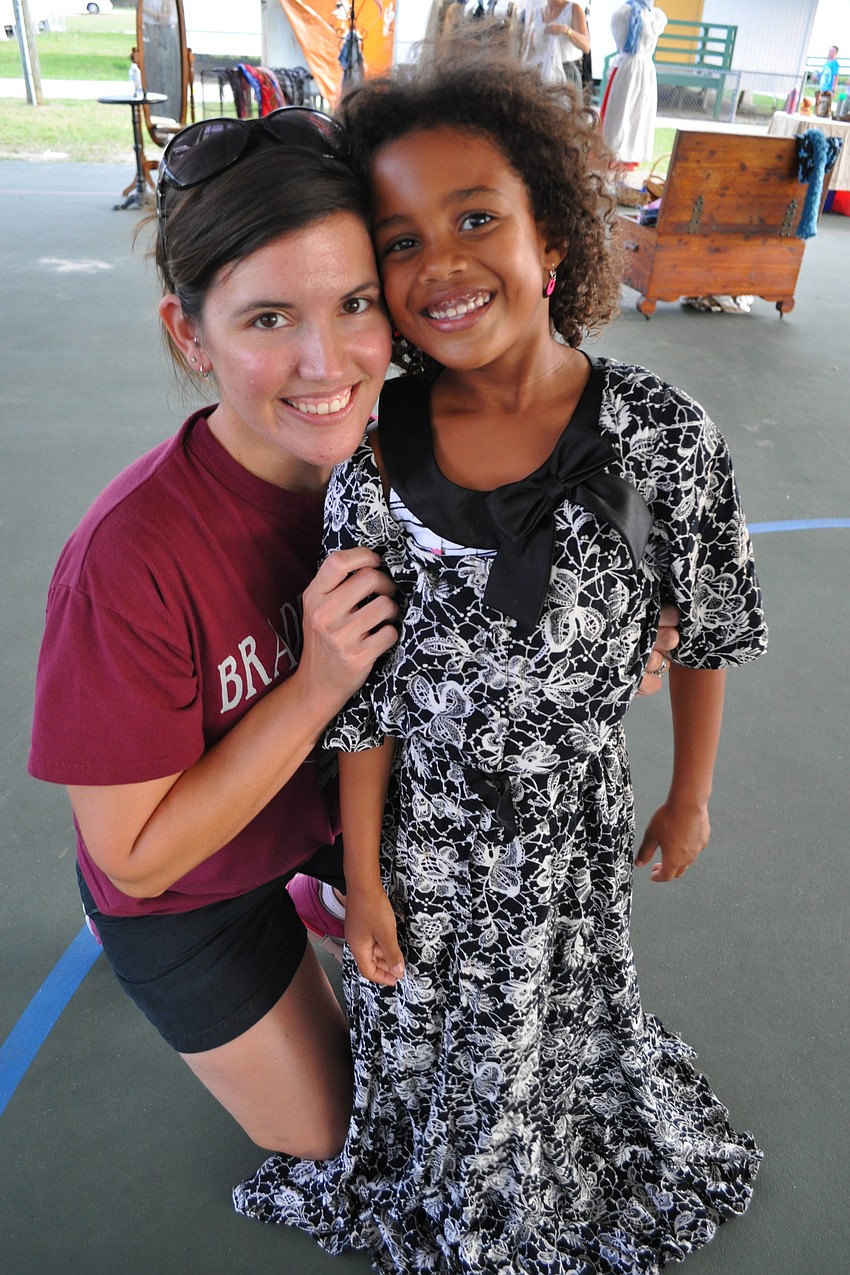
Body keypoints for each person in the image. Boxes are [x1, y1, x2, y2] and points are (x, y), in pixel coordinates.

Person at [27, 104, 674, 1166]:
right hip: (189, 878)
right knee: (343, 1136)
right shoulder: (127, 561)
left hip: (352, 798)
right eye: (267, 319)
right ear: (189, 333)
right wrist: (317, 681)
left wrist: (639, 602)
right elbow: (140, 861)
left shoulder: (412, 428)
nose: (328, 365)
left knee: (495, 1038)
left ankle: (324, 877)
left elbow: (598, 448)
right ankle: (282, 898)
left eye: (355, 304)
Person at [234, 32, 767, 1274]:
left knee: (549, 1021)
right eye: (401, 240)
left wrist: (691, 794)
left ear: (557, 239)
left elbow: (714, 622)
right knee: (427, 1023)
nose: (443, 262)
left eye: (477, 217)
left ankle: (544, 1163)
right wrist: (361, 878)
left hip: (574, 820)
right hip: (423, 833)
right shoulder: (372, 452)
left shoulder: (659, 435)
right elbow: (360, 701)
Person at [600, 0, 668, 168]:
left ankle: (631, 154)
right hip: (628, 68)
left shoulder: (656, 16)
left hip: (644, 69)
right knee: (620, 111)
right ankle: (613, 152)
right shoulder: (624, 13)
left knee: (639, 112)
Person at [522, 0, 590, 93]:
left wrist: (566, 31)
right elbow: (526, 50)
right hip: (539, 74)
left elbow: (586, 46)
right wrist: (528, 39)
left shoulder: (574, 9)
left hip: (565, 72)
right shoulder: (535, 14)